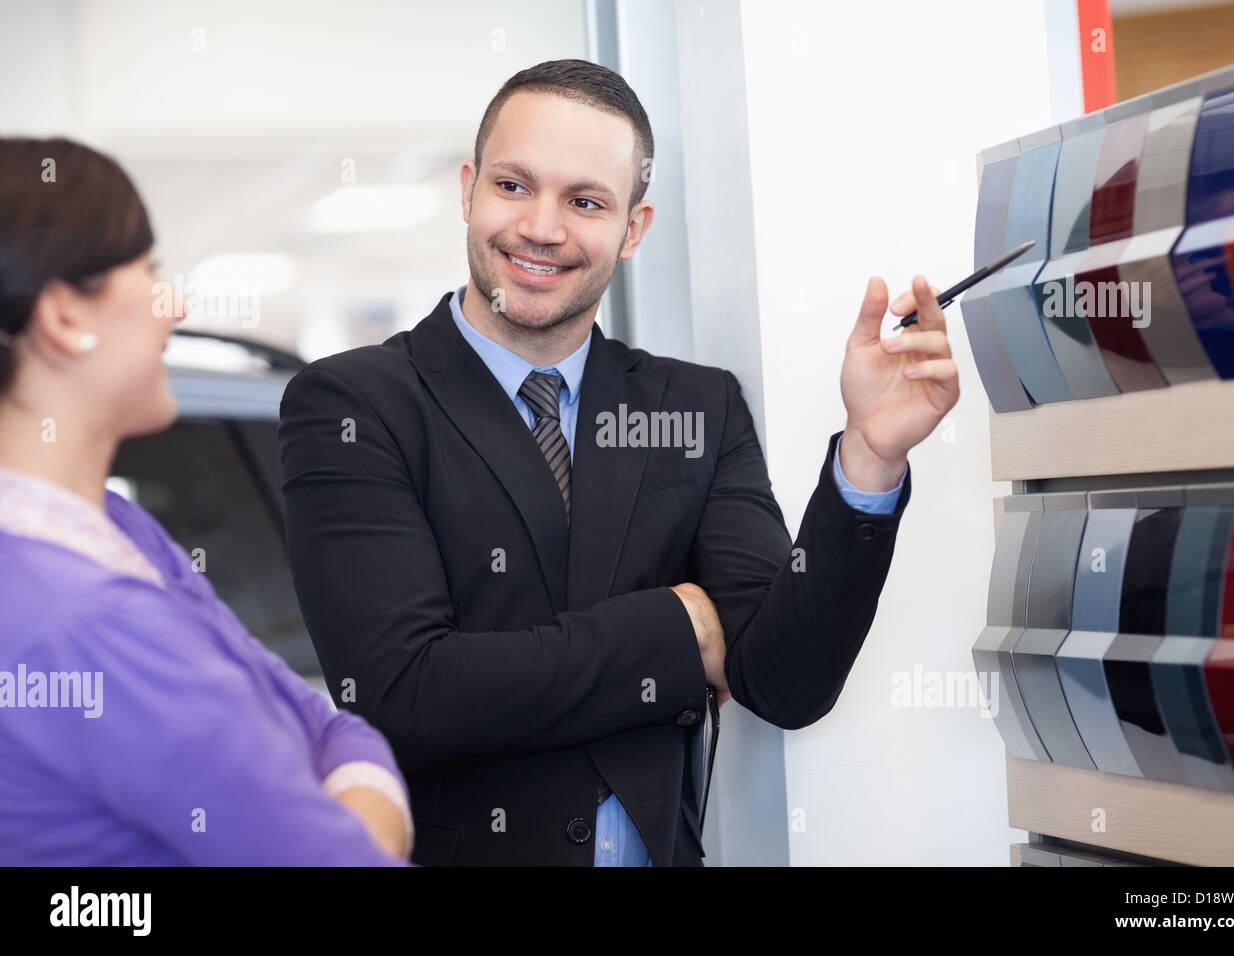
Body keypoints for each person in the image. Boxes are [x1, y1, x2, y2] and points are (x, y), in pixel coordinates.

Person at [278, 59, 959, 866]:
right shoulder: (355, 405)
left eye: (586, 201)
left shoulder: (694, 409)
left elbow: (784, 682)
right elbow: (408, 697)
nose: (541, 226)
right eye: (513, 185)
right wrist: (679, 624)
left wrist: (869, 458)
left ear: (633, 229)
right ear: (468, 190)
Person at [0, 137, 412, 865]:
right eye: (149, 269)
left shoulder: (115, 529)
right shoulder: (89, 625)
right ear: (65, 315)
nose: (176, 303)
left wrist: (342, 759)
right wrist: (370, 805)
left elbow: (318, 717)